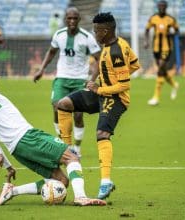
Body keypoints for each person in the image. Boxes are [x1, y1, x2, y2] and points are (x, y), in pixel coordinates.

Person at [0, 62, 106, 206]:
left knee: (61, 182)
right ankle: (81, 197)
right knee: (71, 157)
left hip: (17, 149)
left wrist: (8, 165)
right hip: (27, 138)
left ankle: (12, 191)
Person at [56, 12, 140, 199]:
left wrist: (99, 89)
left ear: (106, 30)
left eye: (96, 31)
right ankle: (67, 150)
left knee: (102, 134)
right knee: (63, 104)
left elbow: (125, 85)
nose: (94, 34)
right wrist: (104, 82)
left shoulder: (116, 50)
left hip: (116, 98)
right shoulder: (119, 44)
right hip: (102, 91)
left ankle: (105, 182)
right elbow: (135, 64)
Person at [33, 7, 101, 157]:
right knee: (57, 108)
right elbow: (51, 52)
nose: (72, 21)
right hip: (62, 78)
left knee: (77, 115)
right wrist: (41, 69)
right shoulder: (59, 34)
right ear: (65, 19)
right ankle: (64, 143)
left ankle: (77, 147)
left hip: (80, 80)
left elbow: (99, 58)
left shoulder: (87, 37)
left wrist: (92, 79)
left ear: (79, 20)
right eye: (69, 18)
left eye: (75, 18)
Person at [144, 0, 179, 106]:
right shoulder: (153, 18)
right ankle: (174, 84)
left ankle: (156, 97)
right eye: (160, 6)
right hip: (156, 48)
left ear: (166, 7)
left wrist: (172, 33)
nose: (161, 8)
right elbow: (146, 30)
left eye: (163, 6)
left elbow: (177, 30)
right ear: (158, 7)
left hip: (166, 48)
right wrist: (146, 41)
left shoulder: (170, 19)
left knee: (160, 69)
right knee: (162, 70)